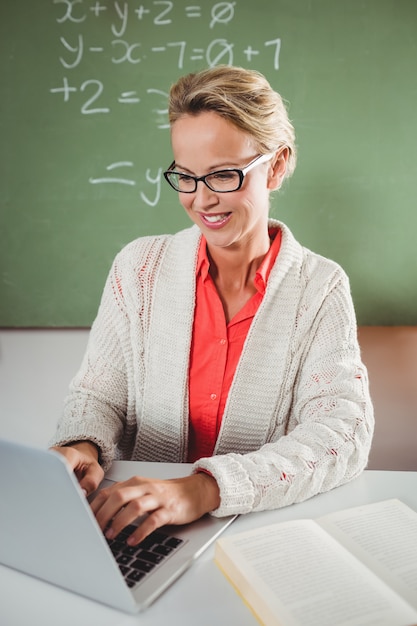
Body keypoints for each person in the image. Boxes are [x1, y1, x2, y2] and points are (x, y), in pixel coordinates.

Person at [51, 65, 374, 547]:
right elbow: (99, 396)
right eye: (185, 176)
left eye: (223, 175)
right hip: (139, 527)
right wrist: (82, 443)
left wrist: (205, 489)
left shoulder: (320, 287)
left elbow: (342, 436)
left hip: (259, 532)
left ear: (278, 164)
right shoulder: (138, 268)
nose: (202, 200)